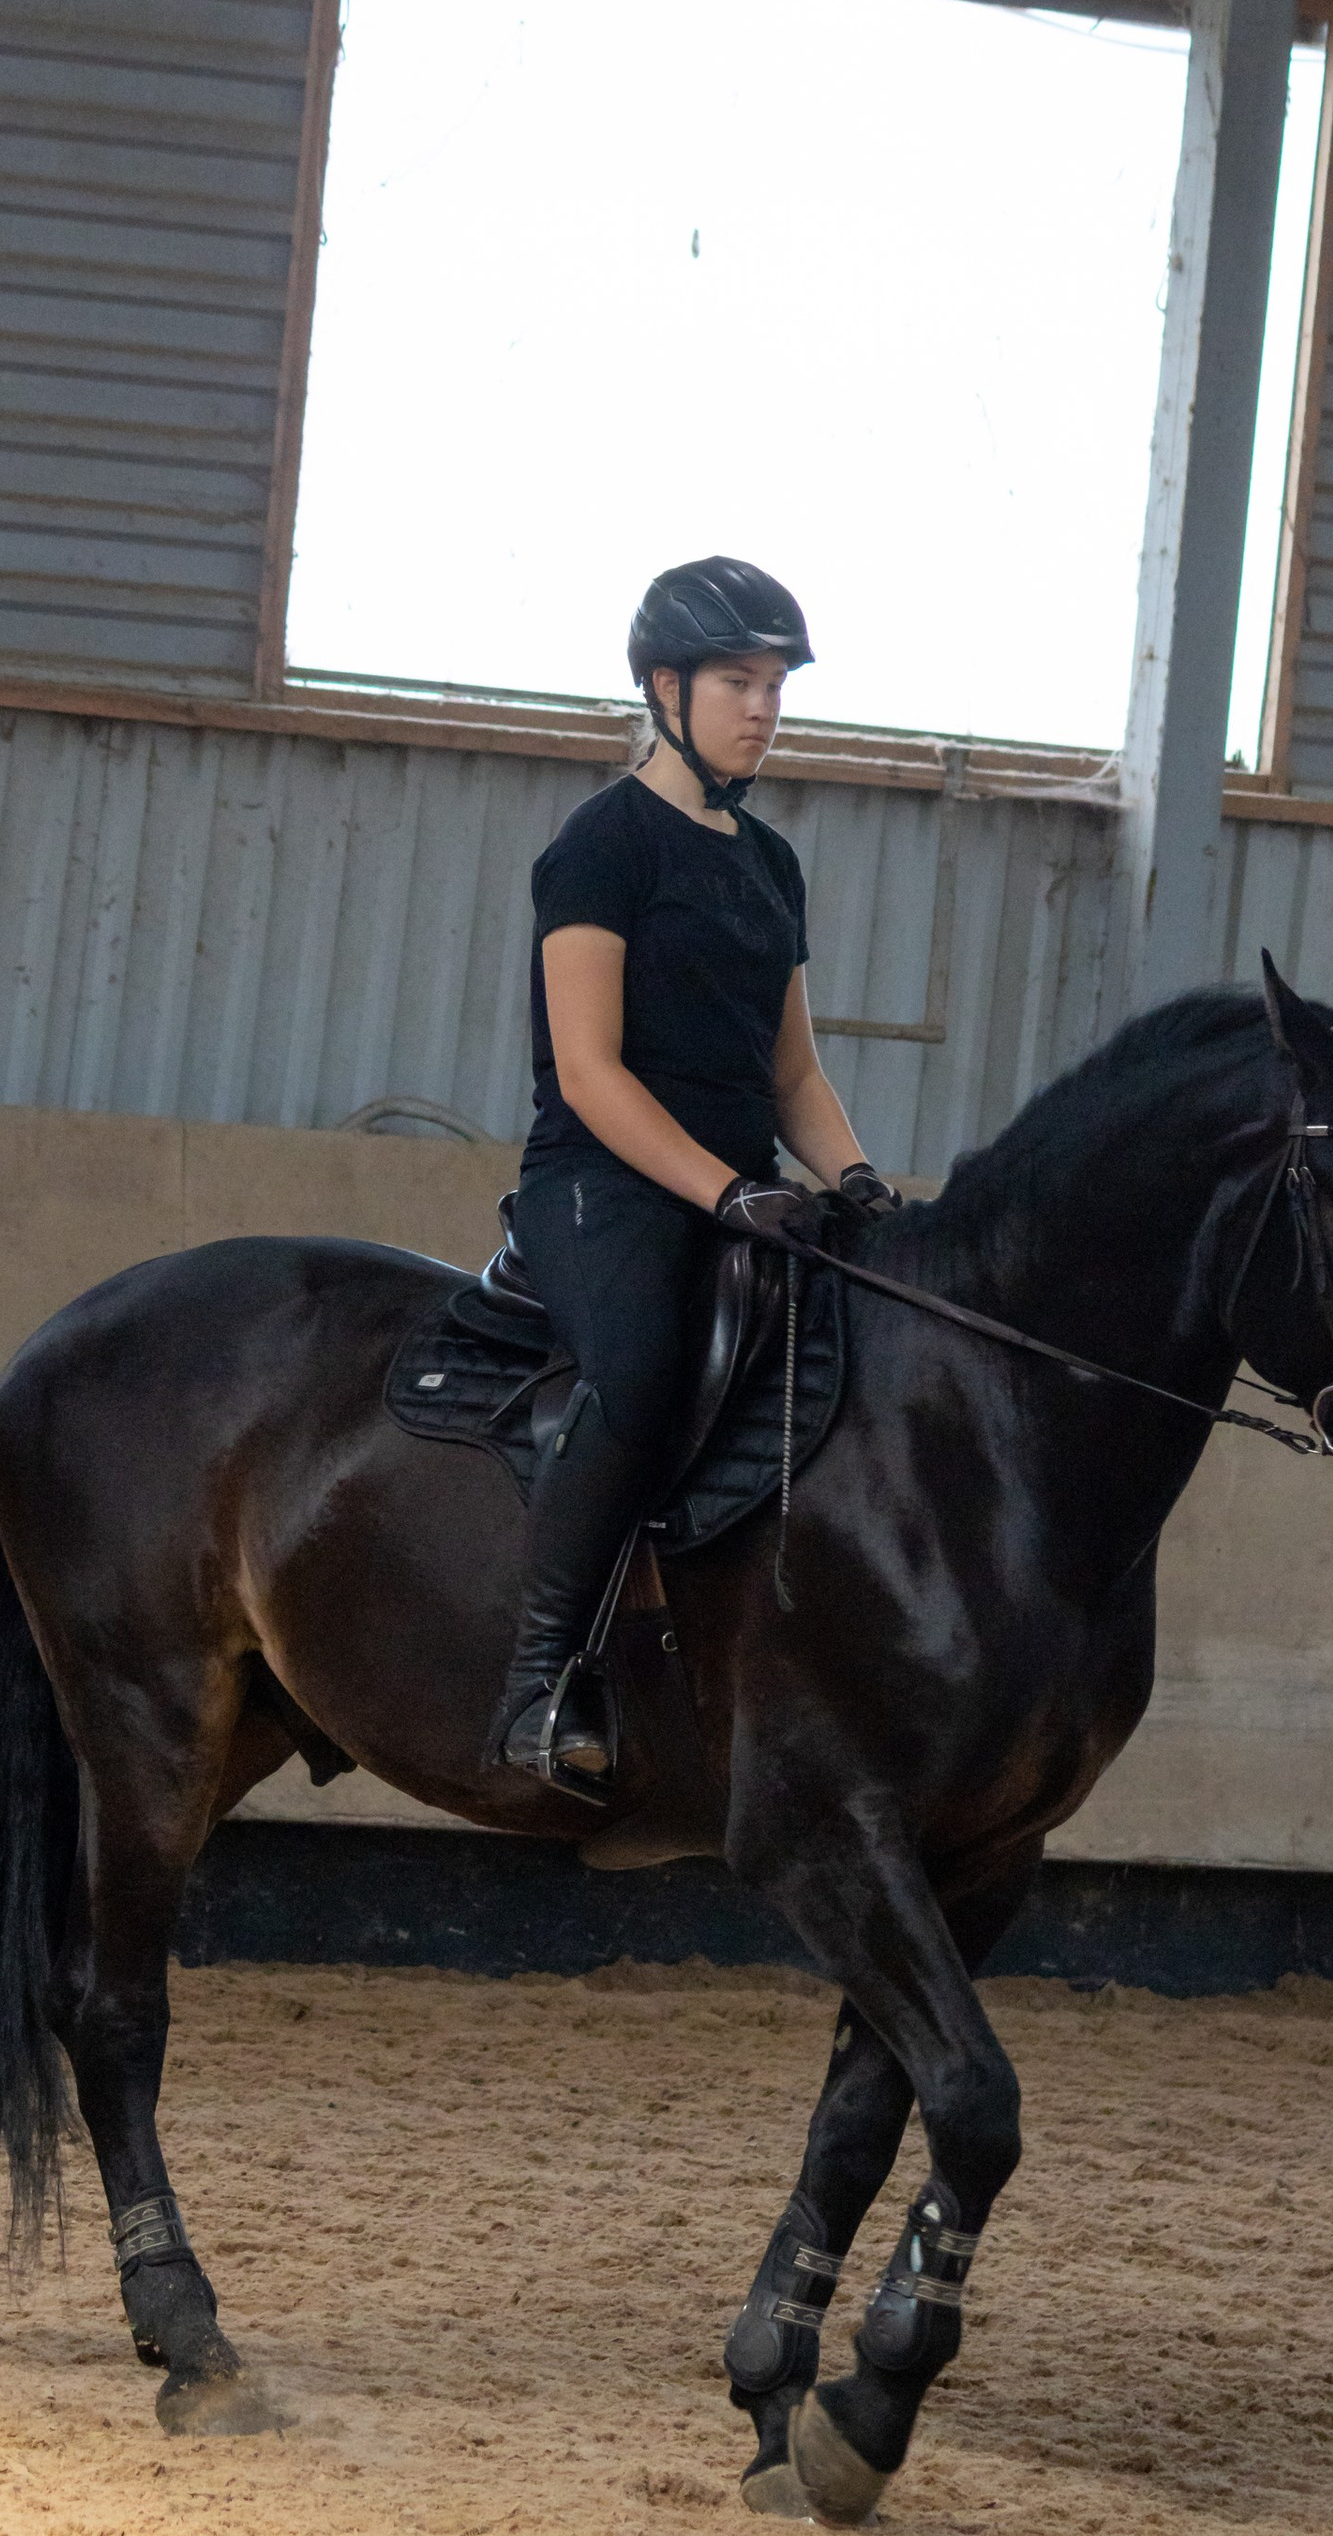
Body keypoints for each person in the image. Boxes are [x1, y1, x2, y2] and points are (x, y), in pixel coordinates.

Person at [492, 556, 901, 1803]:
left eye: (776, 684)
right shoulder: (600, 847)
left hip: (745, 1182)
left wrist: (860, 1184)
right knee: (640, 1366)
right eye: (738, 680)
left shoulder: (769, 863)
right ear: (665, 687)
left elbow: (795, 1075)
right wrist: (723, 1193)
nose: (764, 706)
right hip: (598, 1184)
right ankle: (538, 1681)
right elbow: (591, 1069)